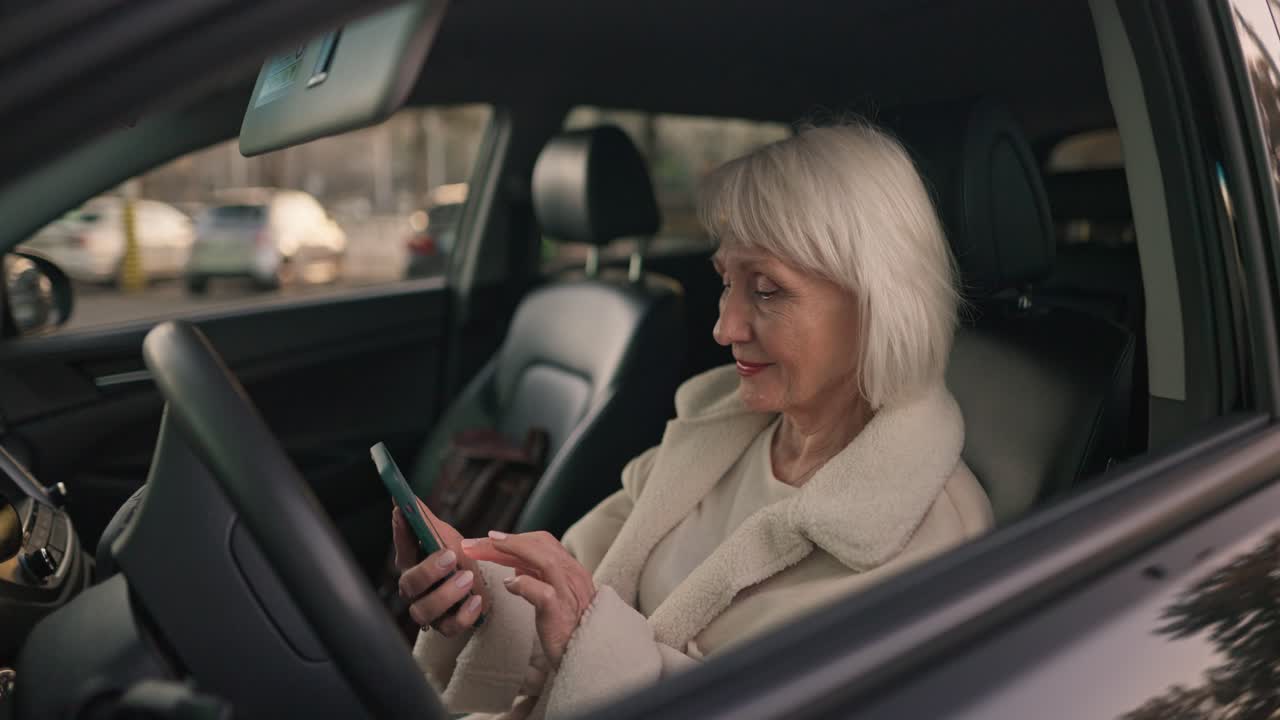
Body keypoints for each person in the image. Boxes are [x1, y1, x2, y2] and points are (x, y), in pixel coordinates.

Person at [392, 122, 995, 719]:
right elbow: (572, 590)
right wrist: (479, 595)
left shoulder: (928, 535)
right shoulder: (709, 432)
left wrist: (587, 642)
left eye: (766, 291)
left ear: (879, 302)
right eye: (726, 283)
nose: (723, 328)